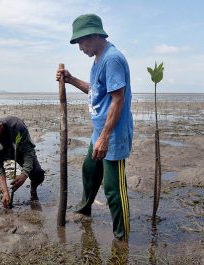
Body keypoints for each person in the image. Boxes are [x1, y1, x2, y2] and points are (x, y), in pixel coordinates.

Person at [56, 14, 133, 243]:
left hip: (114, 134)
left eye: (81, 42)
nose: (80, 48)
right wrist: (70, 80)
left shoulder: (112, 59)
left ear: (94, 35)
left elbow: (117, 100)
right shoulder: (99, 59)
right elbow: (96, 90)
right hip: (100, 132)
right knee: (90, 170)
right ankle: (84, 209)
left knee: (113, 189)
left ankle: (122, 237)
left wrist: (105, 138)